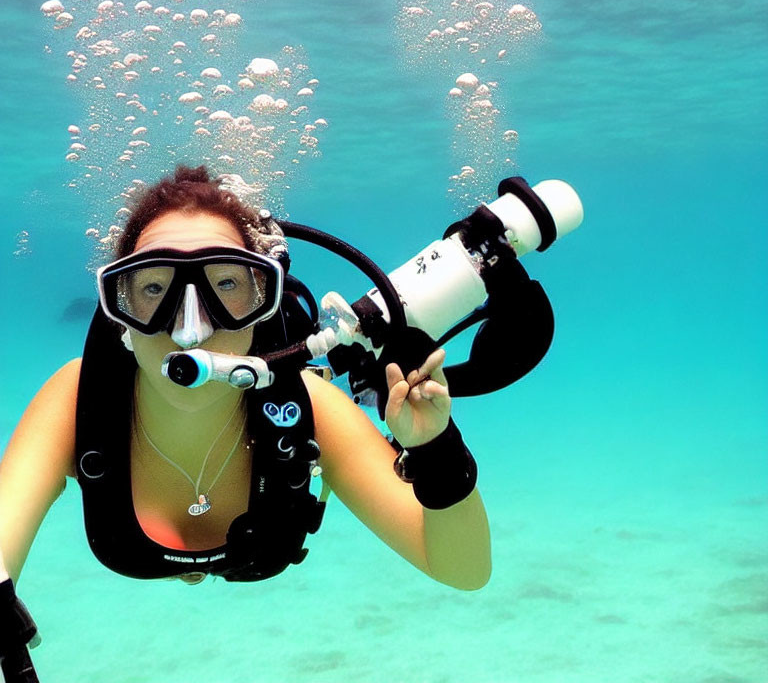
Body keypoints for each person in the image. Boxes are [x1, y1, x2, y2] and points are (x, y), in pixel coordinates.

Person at [0, 165, 491, 657]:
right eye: (154, 289)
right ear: (120, 312)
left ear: (263, 303)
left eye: (226, 285)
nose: (190, 328)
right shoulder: (79, 397)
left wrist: (434, 447)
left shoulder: (310, 408)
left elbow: (463, 569)